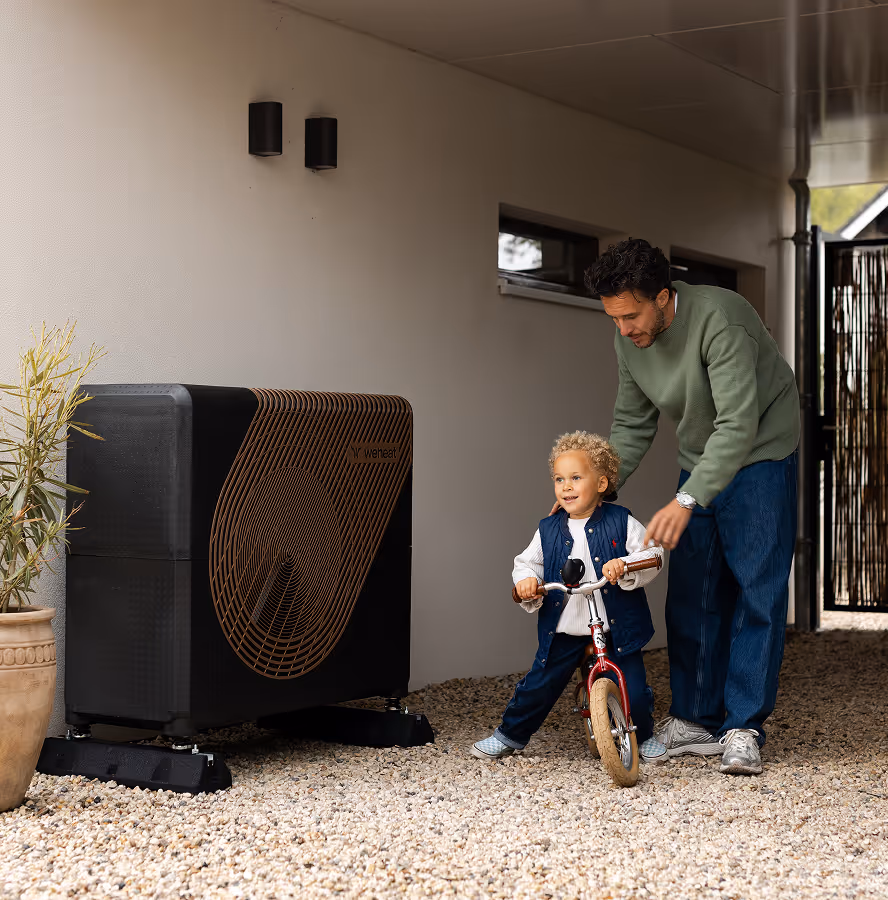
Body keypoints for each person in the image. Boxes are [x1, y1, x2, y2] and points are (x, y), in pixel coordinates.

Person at [584, 238, 800, 776]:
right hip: (702, 453)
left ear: (663, 297)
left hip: (761, 451)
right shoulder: (629, 339)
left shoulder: (720, 320)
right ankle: (697, 719)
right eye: (613, 319)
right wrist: (599, 486)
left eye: (631, 315)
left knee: (756, 591)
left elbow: (738, 424)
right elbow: (632, 426)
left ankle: (744, 725)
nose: (624, 329)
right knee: (692, 592)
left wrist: (686, 498)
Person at [470, 431, 665, 763]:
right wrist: (527, 581)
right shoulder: (549, 528)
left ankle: (642, 735)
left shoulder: (620, 521)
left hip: (614, 624)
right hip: (566, 626)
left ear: (601, 484)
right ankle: (510, 734)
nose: (566, 486)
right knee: (541, 683)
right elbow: (526, 562)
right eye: (560, 479)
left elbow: (653, 553)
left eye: (576, 477)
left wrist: (626, 563)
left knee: (632, 684)